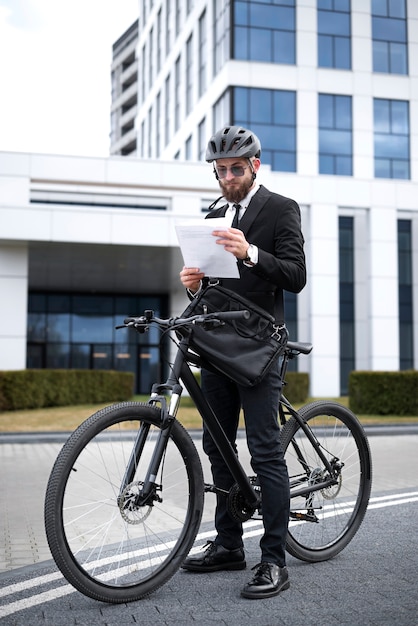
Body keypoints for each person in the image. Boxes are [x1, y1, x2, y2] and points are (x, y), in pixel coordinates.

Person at [179, 125, 306, 599]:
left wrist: (250, 252)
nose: (228, 177)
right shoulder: (212, 215)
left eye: (236, 168)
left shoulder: (280, 209)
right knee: (218, 448)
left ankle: (274, 561)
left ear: (254, 166)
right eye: (221, 170)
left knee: (264, 450)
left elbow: (295, 276)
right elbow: (215, 286)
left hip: (259, 347)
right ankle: (229, 544)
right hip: (216, 345)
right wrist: (194, 284)